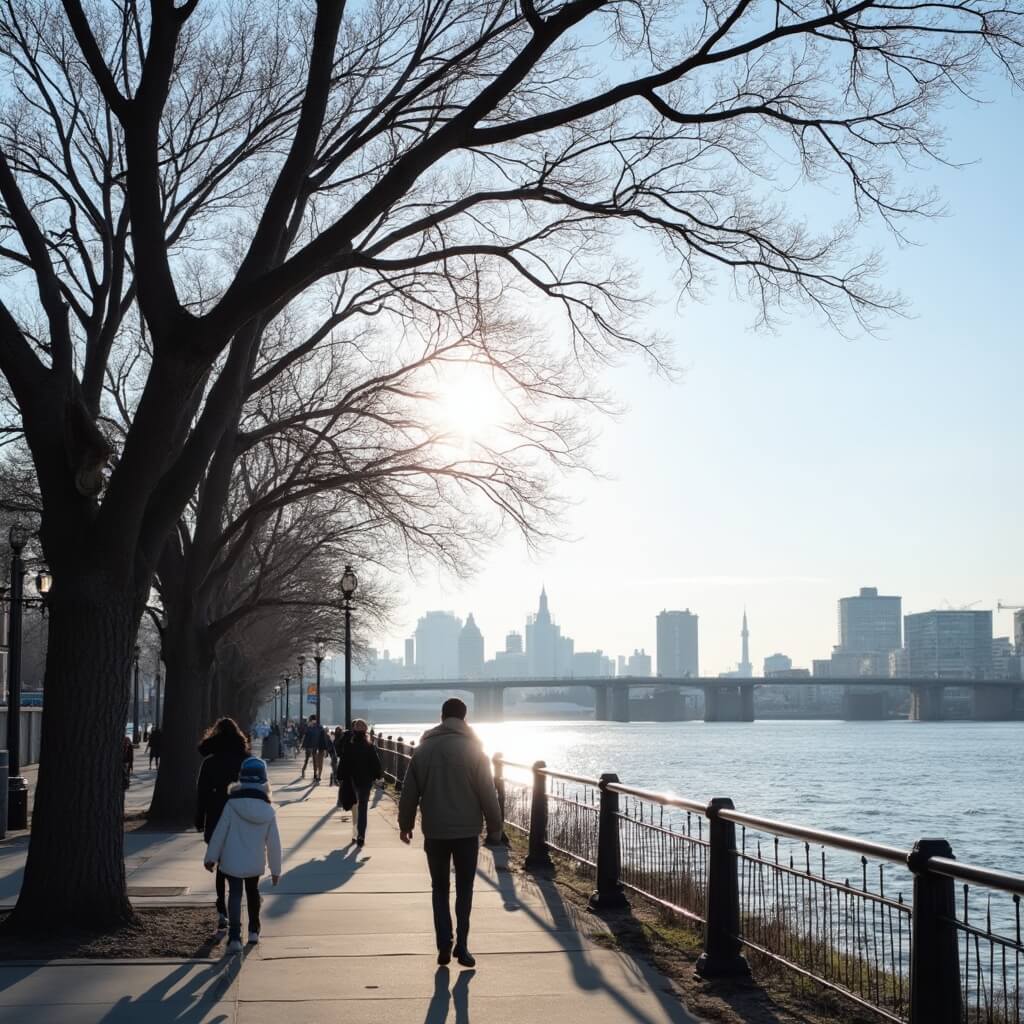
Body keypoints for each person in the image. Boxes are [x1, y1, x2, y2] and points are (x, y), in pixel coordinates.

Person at [398, 698, 503, 968]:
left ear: (442, 716)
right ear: (464, 718)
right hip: (467, 832)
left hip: (435, 831)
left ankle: (444, 943)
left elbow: (409, 792)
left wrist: (405, 824)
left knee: (439, 888)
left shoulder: (424, 749)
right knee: (465, 888)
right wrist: (495, 827)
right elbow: (487, 793)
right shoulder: (474, 750)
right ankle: (463, 947)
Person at [204, 756, 282, 953]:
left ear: (242, 778)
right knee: (253, 892)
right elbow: (274, 843)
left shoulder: (231, 804)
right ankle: (254, 930)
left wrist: (211, 857)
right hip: (254, 861)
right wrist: (275, 869)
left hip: (232, 859)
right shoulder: (268, 810)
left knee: (235, 895)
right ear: (264, 781)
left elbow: (220, 832)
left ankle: (234, 938)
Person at [195, 717, 250, 931]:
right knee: (235, 859)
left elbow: (202, 794)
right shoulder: (244, 761)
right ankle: (235, 899)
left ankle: (221, 907)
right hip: (239, 813)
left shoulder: (209, 762)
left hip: (217, 813)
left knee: (219, 862)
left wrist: (199, 819)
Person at [338, 719, 382, 847]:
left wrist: (340, 775)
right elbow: (376, 763)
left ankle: (355, 831)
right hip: (365, 781)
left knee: (354, 806)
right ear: (366, 731)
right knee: (363, 808)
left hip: (352, 780)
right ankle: (361, 834)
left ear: (354, 731)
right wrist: (377, 776)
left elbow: (344, 762)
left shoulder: (349, 746)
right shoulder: (369, 746)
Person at [301, 715, 326, 782]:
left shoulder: (317, 727)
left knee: (315, 761)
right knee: (311, 760)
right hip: (313, 747)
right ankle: (308, 771)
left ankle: (316, 774)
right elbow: (306, 736)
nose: (313, 721)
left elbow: (322, 737)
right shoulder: (312, 727)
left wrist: (304, 745)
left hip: (315, 747)